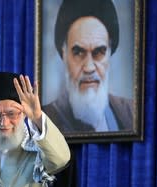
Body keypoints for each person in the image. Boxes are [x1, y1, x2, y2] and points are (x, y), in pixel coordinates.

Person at [42, 0, 133, 133]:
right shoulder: (45, 120)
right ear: (64, 54)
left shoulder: (130, 112)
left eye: (99, 52)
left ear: (109, 53)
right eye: (78, 52)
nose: (89, 68)